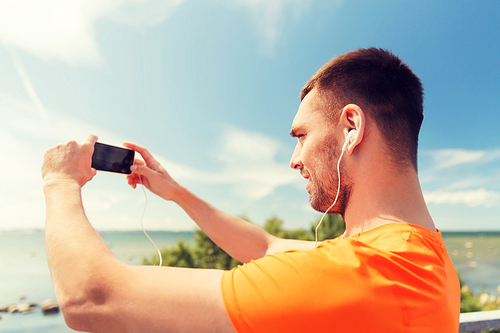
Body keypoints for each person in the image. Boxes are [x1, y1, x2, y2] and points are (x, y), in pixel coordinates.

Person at [42, 48, 460, 333]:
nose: (294, 159)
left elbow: (91, 298)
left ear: (351, 128)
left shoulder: (369, 274)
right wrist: (174, 192)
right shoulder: (418, 257)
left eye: (301, 136)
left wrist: (58, 180)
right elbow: (265, 245)